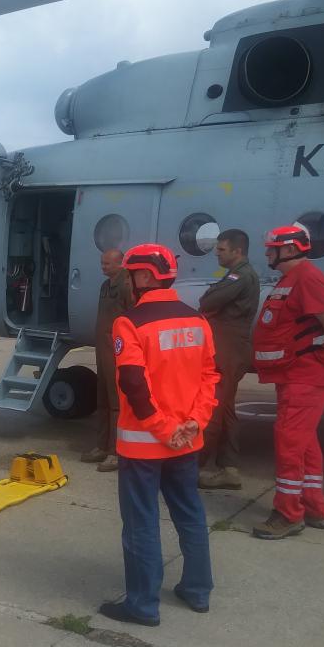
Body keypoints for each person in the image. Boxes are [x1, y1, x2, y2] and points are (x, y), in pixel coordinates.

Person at [98, 244, 219, 627]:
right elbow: (210, 377)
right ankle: (198, 591)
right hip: (187, 441)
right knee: (191, 515)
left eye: (131, 274)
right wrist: (194, 423)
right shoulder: (197, 321)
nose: (128, 282)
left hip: (145, 445)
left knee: (141, 523)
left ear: (145, 276)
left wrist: (165, 430)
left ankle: (142, 605)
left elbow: (134, 385)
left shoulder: (129, 323)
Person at [251, 225, 324, 539]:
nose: (267, 253)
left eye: (272, 248)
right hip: (294, 373)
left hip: (307, 374)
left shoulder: (308, 278)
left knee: (289, 440)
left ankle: (287, 514)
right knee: (304, 441)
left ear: (290, 249)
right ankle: (313, 508)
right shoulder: (290, 280)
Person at [197, 229, 260, 490]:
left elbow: (208, 301)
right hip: (230, 348)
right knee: (226, 408)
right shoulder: (239, 274)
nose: (217, 254)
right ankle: (229, 468)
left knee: (212, 406)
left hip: (228, 350)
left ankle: (192, 466)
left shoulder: (240, 275)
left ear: (237, 251)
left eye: (222, 250)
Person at [80, 248, 133, 472]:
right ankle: (102, 445)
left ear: (120, 263)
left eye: (107, 264)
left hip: (116, 349)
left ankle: (116, 451)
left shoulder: (126, 285)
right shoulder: (105, 286)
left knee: (116, 403)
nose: (103, 267)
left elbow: (132, 318)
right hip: (103, 349)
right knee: (102, 397)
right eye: (102, 263)